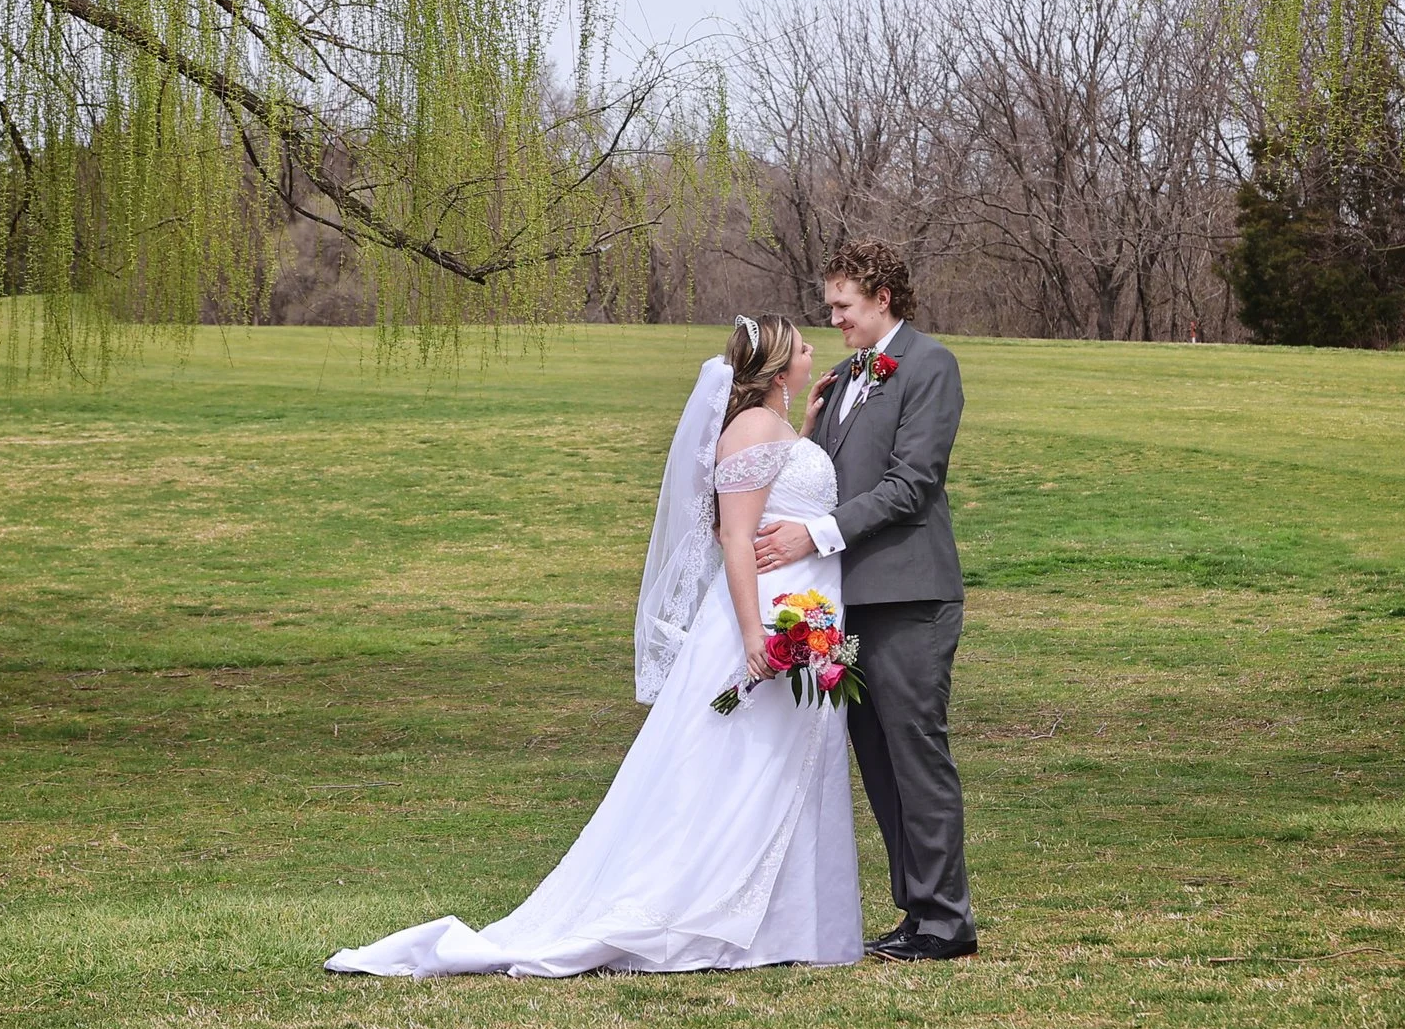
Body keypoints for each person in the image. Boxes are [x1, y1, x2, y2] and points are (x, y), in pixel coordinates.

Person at [325, 315, 862, 977]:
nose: (816, 352)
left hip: (802, 618)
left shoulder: (773, 426)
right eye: (805, 347)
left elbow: (779, 492)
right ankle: (713, 912)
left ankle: (781, 922)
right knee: (743, 767)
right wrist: (757, 634)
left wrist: (805, 430)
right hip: (766, 627)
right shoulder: (751, 428)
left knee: (778, 767)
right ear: (781, 369)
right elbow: (735, 537)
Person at [754, 239, 977, 962]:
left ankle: (949, 921)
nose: (835, 319)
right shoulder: (849, 374)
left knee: (915, 749)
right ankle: (915, 911)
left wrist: (812, 535)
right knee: (874, 754)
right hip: (849, 607)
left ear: (883, 298)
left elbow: (913, 484)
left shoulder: (932, 367)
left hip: (911, 598)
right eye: (831, 306)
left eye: (844, 305)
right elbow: (821, 472)